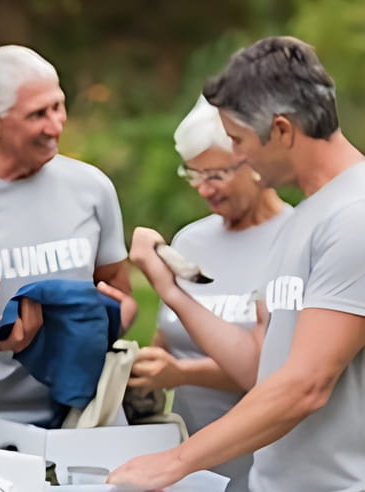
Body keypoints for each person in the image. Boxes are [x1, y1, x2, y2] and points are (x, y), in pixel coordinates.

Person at [107, 36, 365, 491]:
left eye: (238, 140)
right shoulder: (304, 218)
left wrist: (175, 462)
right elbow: (260, 369)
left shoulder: (355, 216)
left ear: (283, 130)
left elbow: (306, 385)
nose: (237, 155)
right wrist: (171, 291)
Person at [0, 45, 136, 435]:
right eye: (38, 114)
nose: (55, 126)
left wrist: (110, 317)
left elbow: (122, 297)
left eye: (58, 106)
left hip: (84, 419)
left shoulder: (92, 188)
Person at [128, 95, 291, 491]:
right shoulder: (191, 240)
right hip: (191, 463)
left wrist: (182, 374)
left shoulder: (292, 237)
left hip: (264, 464)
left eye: (216, 175)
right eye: (195, 175)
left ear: (250, 159)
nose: (204, 189)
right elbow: (170, 336)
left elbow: (270, 370)